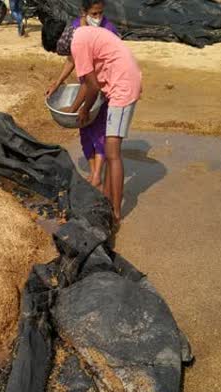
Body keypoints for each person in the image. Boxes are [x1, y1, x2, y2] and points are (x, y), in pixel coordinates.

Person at [42, 19, 142, 225]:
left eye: (57, 51)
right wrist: (73, 109)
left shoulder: (77, 43)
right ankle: (106, 199)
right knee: (108, 148)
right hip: (118, 80)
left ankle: (115, 212)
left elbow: (93, 86)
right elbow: (87, 86)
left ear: (59, 42)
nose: (61, 55)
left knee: (113, 153)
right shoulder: (79, 35)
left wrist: (84, 110)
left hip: (123, 85)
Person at [44, 0, 118, 192]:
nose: (98, 17)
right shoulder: (75, 28)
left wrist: (75, 107)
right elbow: (71, 59)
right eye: (93, 14)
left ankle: (96, 175)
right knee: (85, 129)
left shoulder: (109, 29)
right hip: (88, 84)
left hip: (102, 86)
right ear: (83, 12)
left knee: (99, 128)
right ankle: (95, 173)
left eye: (100, 13)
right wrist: (58, 82)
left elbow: (104, 70)